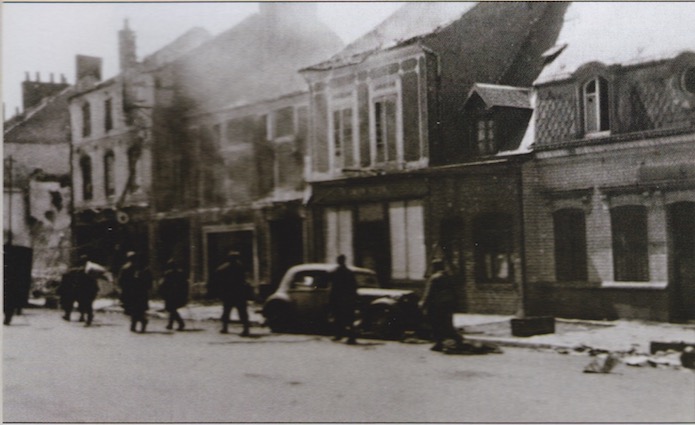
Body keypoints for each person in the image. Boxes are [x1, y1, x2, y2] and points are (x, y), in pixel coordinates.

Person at [420, 258, 464, 352]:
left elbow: (429, 293)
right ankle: (457, 339)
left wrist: (423, 304)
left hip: (437, 305)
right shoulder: (448, 277)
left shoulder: (434, 278)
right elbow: (455, 291)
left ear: (434, 267)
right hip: (448, 304)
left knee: (436, 324)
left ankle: (439, 343)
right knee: (447, 324)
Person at [209, 251, 251, 336]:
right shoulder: (240, 266)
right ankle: (245, 329)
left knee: (227, 311)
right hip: (238, 292)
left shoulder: (225, 267)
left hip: (229, 293)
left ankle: (225, 328)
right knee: (241, 311)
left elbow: (217, 274)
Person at [327, 254, 358, 345]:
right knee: (348, 318)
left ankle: (341, 335)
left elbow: (333, 286)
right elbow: (354, 286)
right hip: (347, 298)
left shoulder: (336, 272)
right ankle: (349, 336)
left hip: (338, 298)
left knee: (339, 317)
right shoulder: (349, 272)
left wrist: (331, 298)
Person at [118, 251, 152, 333]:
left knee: (133, 309)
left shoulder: (126, 268)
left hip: (130, 291)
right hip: (138, 292)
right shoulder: (141, 267)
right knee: (136, 309)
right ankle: (137, 323)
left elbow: (121, 281)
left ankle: (138, 323)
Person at [158, 258, 188, 331]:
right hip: (178, 294)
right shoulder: (180, 273)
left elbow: (163, 284)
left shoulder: (168, 274)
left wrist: (162, 292)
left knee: (171, 309)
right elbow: (185, 284)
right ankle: (170, 324)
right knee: (172, 309)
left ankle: (180, 323)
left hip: (170, 294)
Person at [74, 255, 100, 326]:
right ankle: (85, 317)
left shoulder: (88, 270)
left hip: (87, 291)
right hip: (87, 290)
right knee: (85, 304)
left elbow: (78, 282)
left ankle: (88, 318)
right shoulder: (87, 270)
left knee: (87, 304)